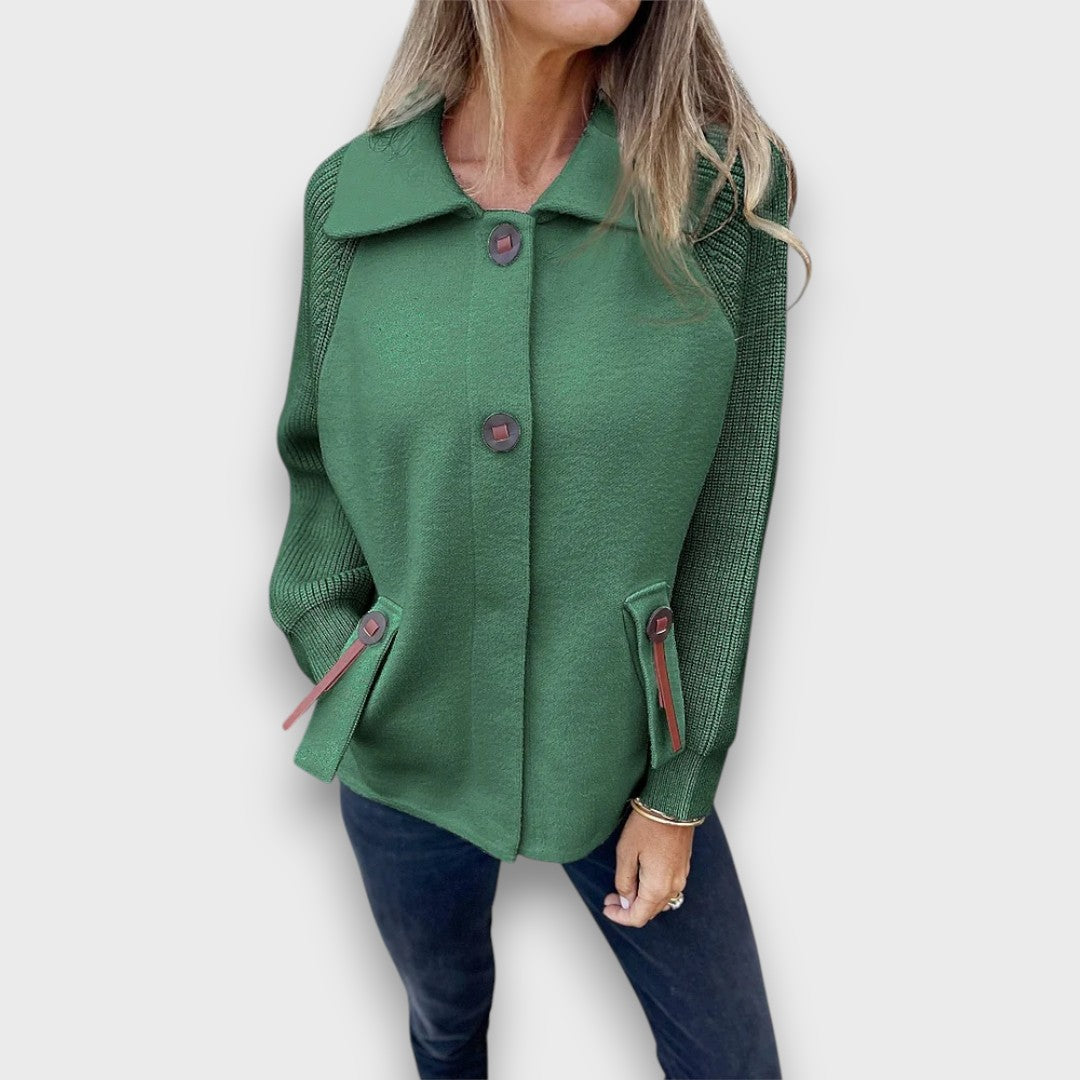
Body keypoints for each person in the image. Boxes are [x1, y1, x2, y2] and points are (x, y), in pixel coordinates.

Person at [269, 1, 810, 1076]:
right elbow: (316, 454)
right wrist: (337, 642)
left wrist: (679, 786)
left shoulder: (717, 195)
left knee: (732, 1059)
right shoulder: (351, 199)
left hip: (619, 749)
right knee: (445, 1022)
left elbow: (731, 507)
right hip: (403, 745)